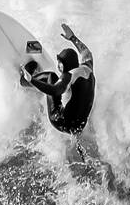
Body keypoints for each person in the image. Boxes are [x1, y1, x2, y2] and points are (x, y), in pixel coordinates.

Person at [22, 22, 96, 155]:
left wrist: (32, 80)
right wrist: (72, 38)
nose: (58, 67)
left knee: (51, 76)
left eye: (60, 64)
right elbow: (86, 52)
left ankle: (23, 81)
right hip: (80, 126)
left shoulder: (69, 76)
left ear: (66, 65)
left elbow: (55, 90)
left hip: (61, 121)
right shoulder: (87, 67)